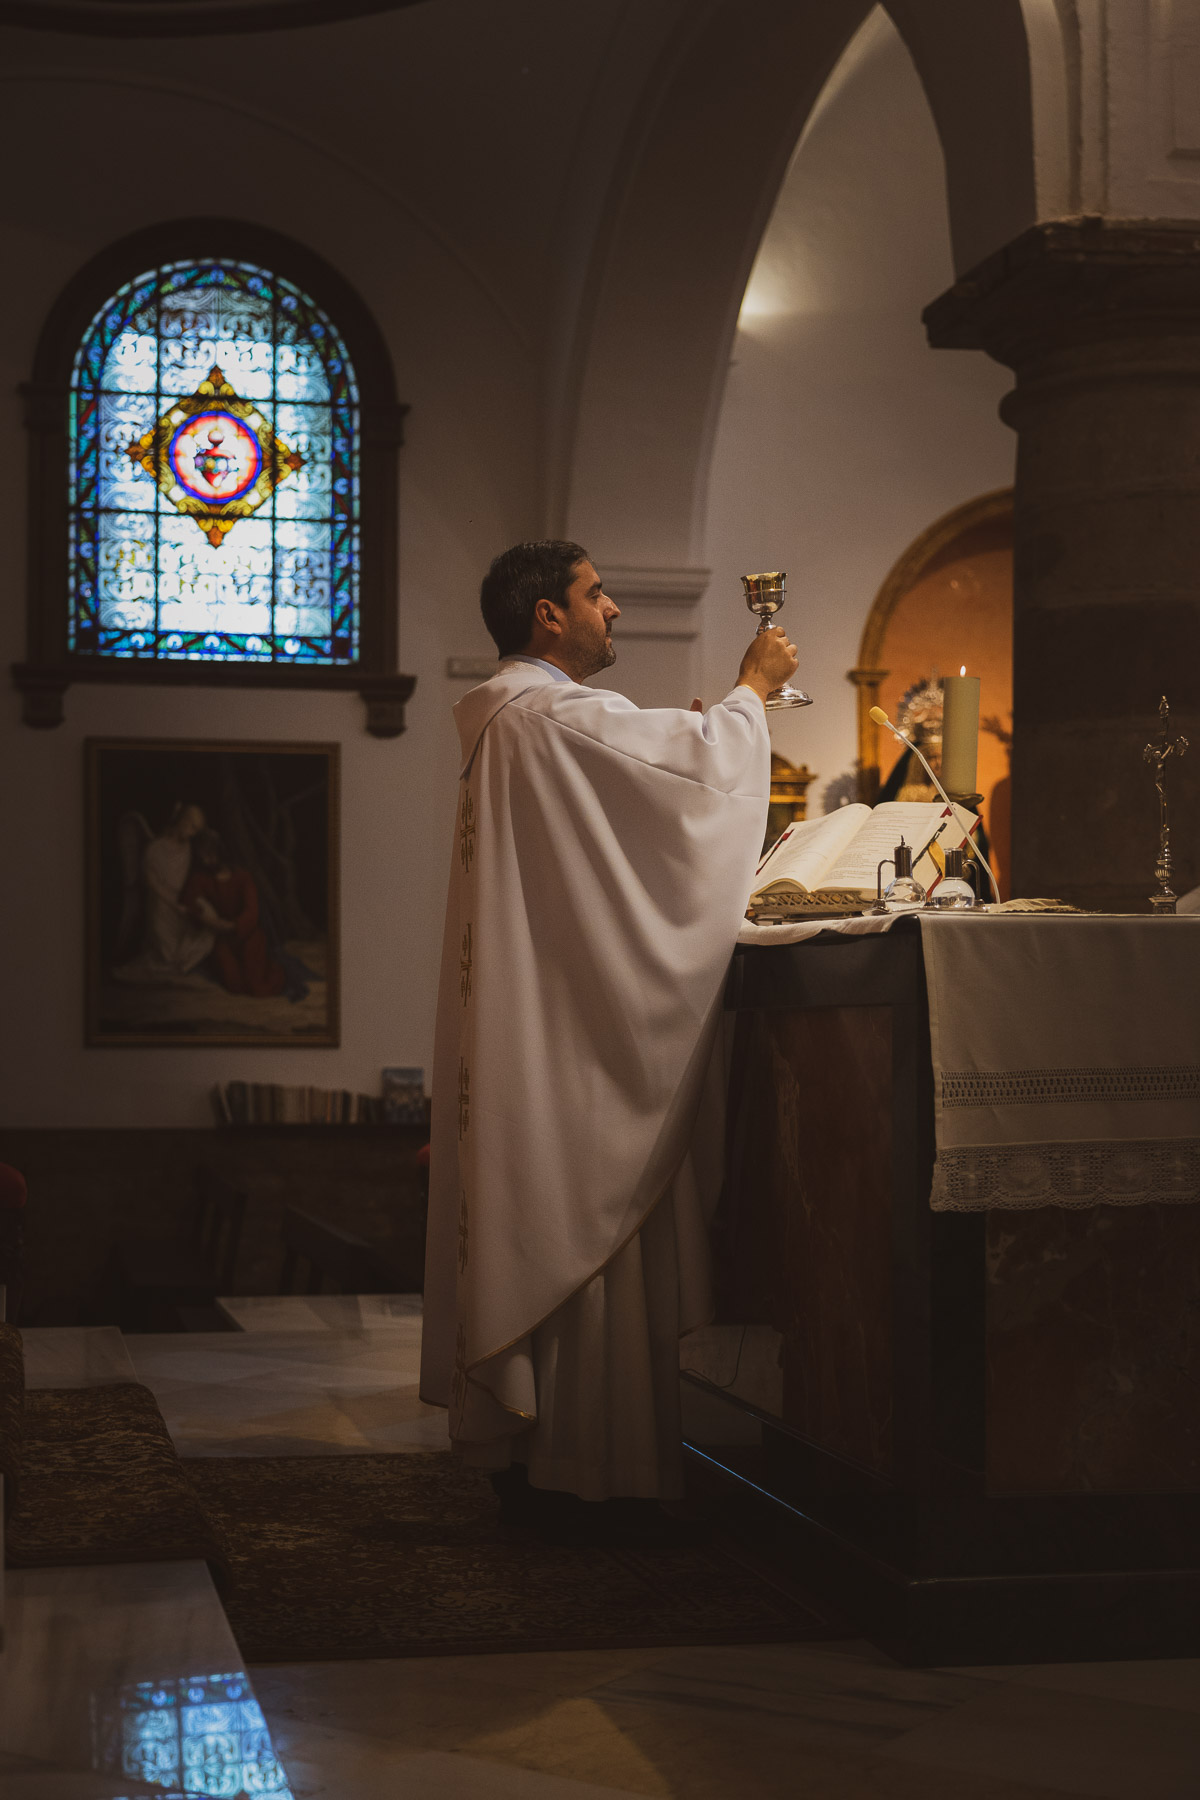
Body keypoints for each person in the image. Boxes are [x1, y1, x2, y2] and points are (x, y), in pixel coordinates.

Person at [419, 539, 798, 1535]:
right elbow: (692, 785)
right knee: (585, 1209)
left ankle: (536, 1446)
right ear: (548, 615)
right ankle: (584, 1470)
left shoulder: (509, 718)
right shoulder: (548, 716)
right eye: (596, 594)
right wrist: (752, 693)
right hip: (571, 1049)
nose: (615, 609)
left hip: (545, 1027)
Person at [113, 802, 215, 984]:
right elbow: (154, 886)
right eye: (191, 826)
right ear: (182, 820)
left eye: (196, 830)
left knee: (208, 936)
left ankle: (172, 967)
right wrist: (174, 905)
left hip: (176, 908)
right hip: (159, 908)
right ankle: (163, 967)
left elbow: (182, 887)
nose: (192, 833)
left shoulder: (187, 849)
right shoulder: (155, 848)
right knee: (168, 953)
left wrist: (190, 905)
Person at [181, 829, 287, 999]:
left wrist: (232, 925)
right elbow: (188, 903)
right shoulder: (200, 878)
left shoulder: (242, 877)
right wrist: (211, 922)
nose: (207, 861)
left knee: (256, 987)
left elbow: (252, 912)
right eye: (202, 856)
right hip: (222, 939)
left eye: (210, 854)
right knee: (235, 985)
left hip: (248, 933)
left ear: (220, 852)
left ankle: (274, 970)